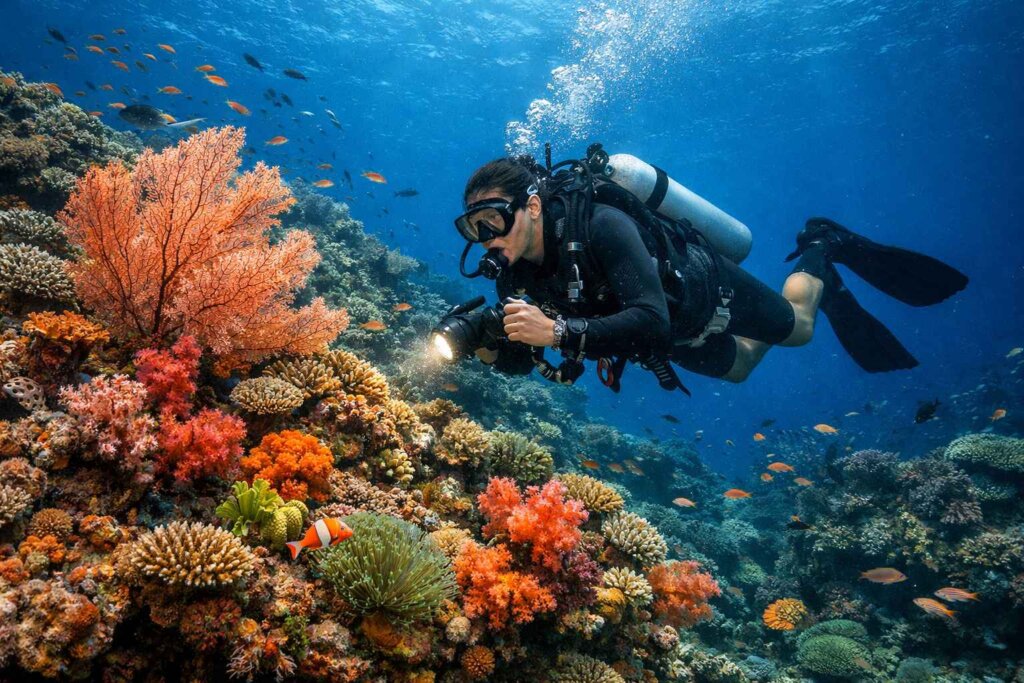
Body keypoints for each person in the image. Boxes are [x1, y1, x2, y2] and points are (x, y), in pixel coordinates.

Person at [452, 156, 967, 388]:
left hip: (703, 291)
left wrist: (561, 331)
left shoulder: (602, 225)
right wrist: (488, 345)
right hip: (663, 338)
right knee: (741, 369)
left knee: (802, 329)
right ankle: (818, 273)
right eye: (474, 228)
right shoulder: (513, 277)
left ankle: (820, 248)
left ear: (534, 206)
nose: (487, 238)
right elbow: (524, 363)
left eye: (493, 219)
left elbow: (650, 317)